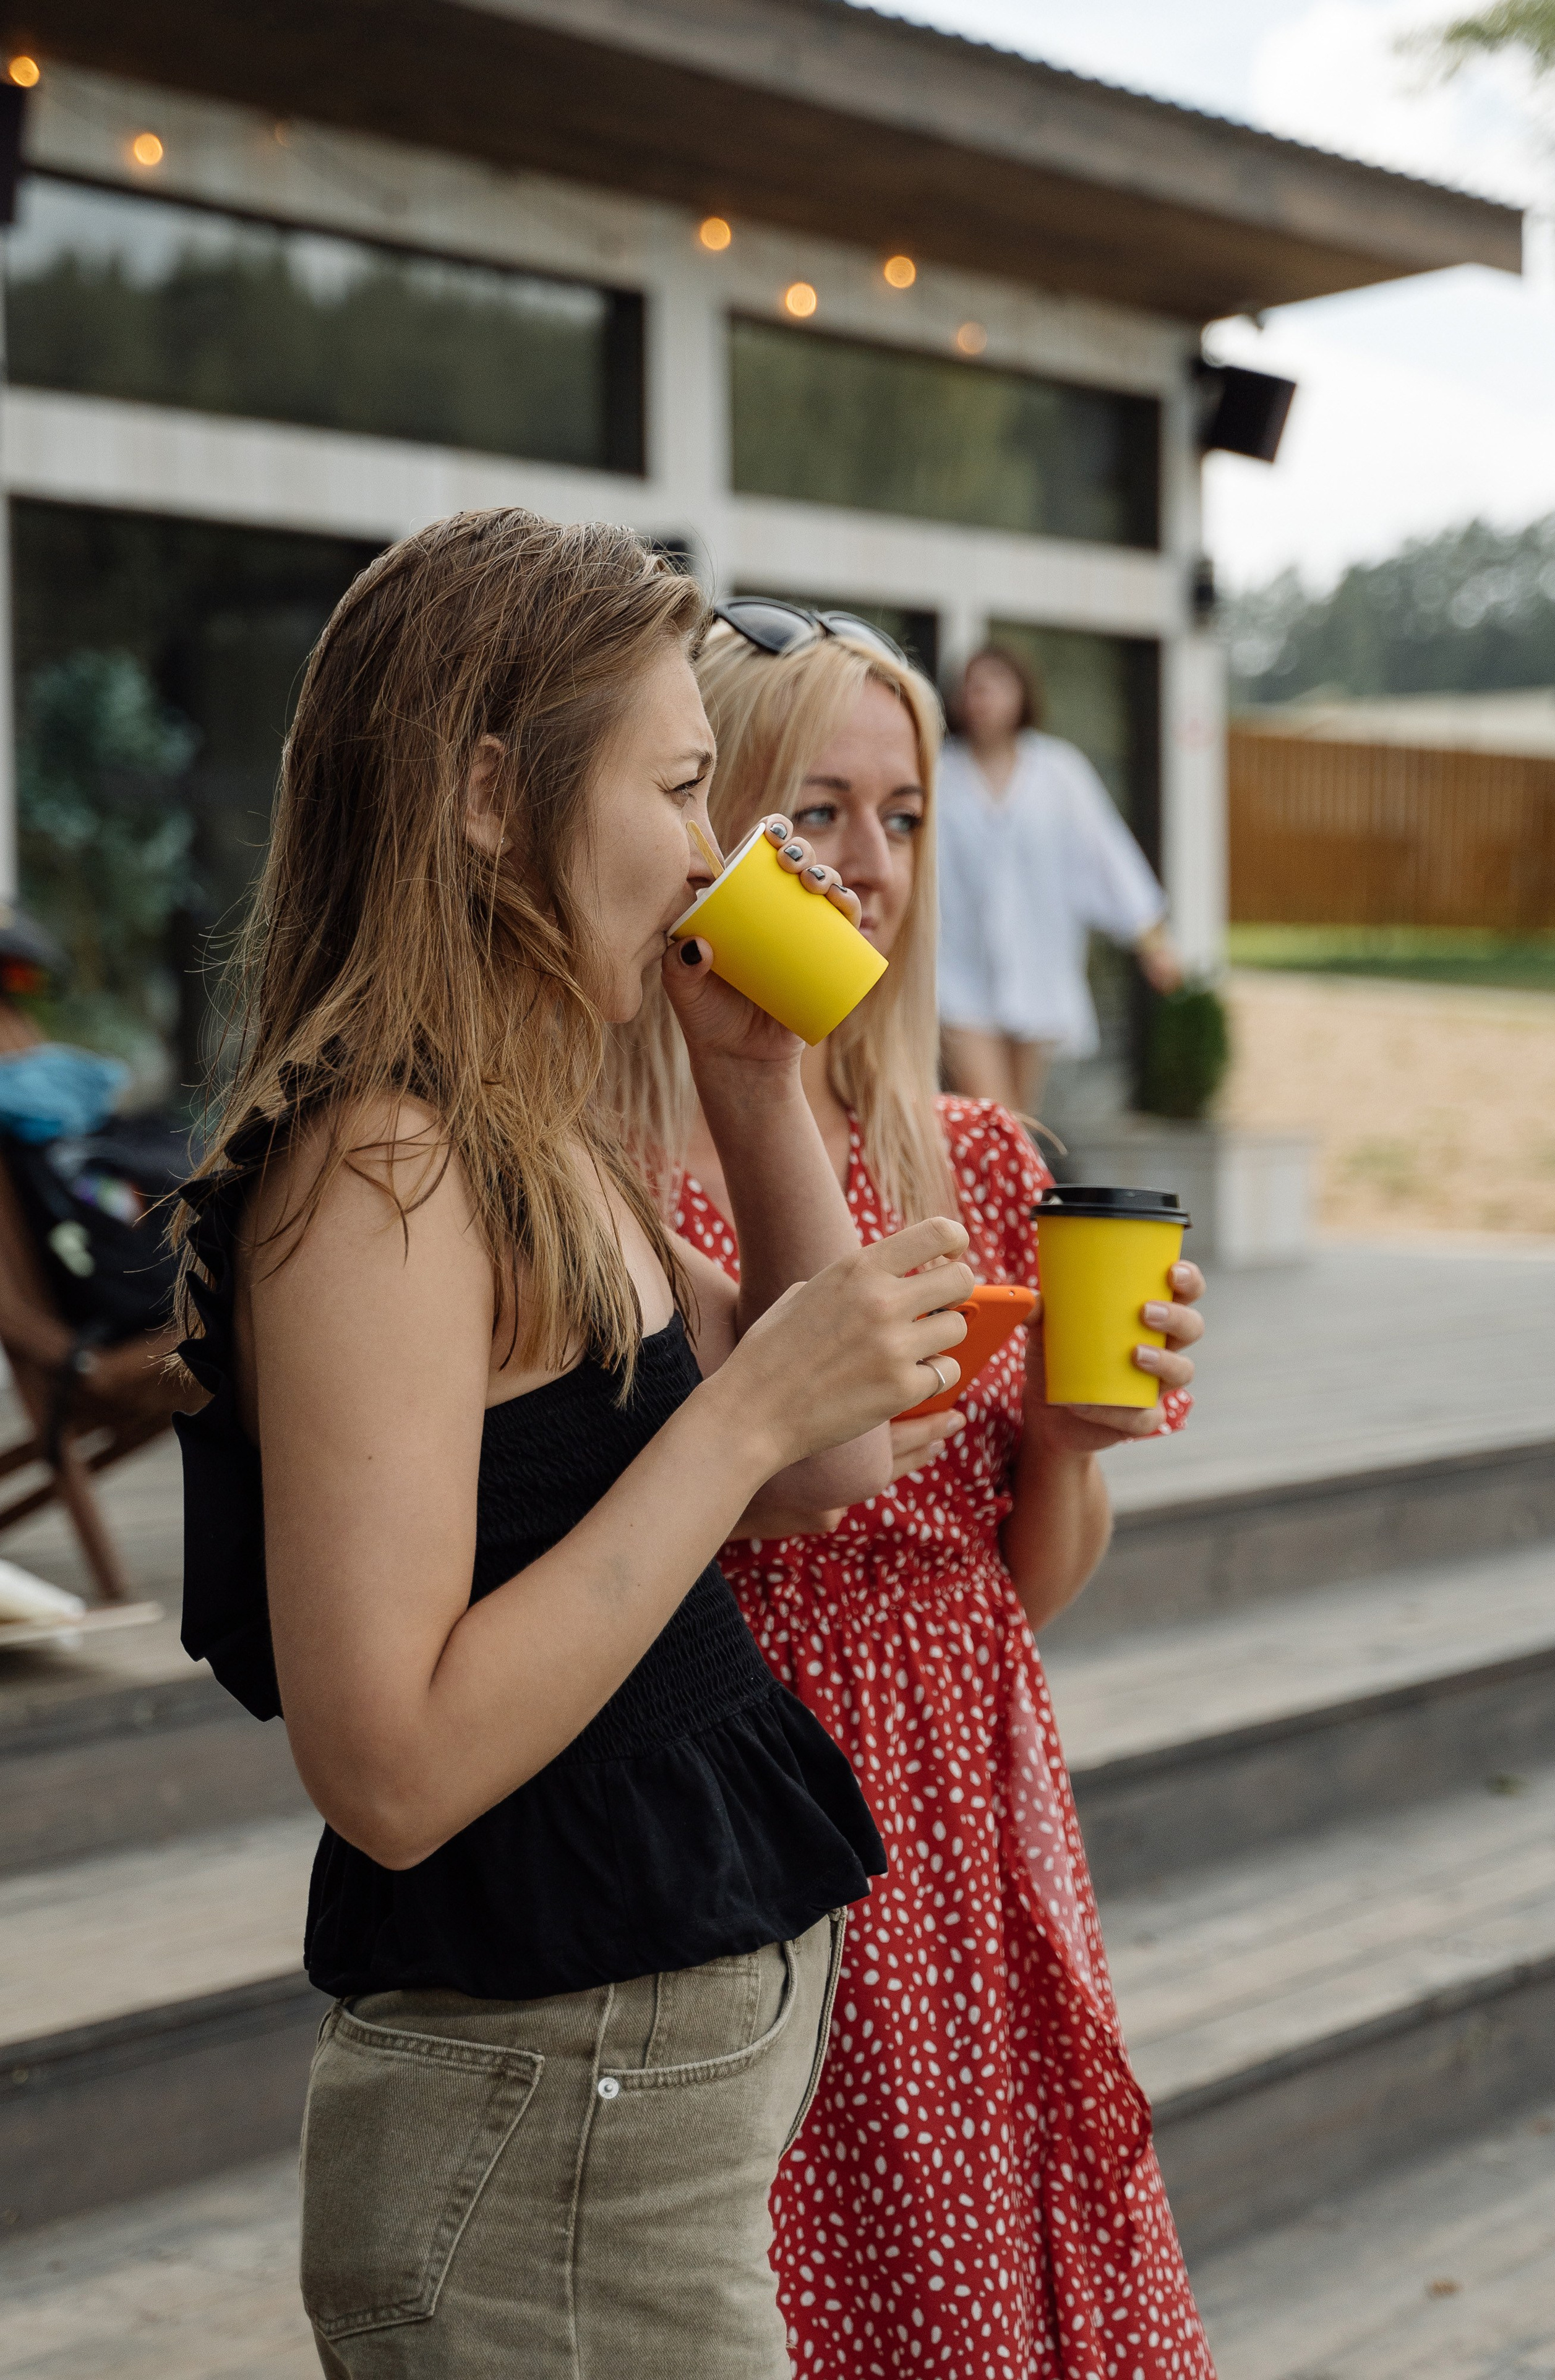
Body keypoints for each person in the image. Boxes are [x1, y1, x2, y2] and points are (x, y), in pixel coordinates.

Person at [169, 518, 982, 2380]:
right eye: (684, 787)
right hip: (543, 2135)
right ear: (482, 794)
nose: (715, 855)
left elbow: (826, 1471)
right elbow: (387, 1761)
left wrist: (758, 1082)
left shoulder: (522, 1128)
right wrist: (763, 1402)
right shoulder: (381, 1160)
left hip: (604, 2121)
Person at [605, 597, 1215, 2379]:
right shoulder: (608, 1174)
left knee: (966, 2282)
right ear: (698, 822)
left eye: (905, 816)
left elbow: (1012, 1590)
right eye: (811, 814)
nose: (865, 867)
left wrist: (1079, 1454)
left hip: (959, 1782)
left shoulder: (983, 1158)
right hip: (729, 1780)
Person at [937, 643, 1184, 1114]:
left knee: (1019, 1123)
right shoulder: (939, 773)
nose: (982, 698)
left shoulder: (1059, 771)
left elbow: (1106, 854)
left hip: (1038, 969)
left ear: (1021, 695)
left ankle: (1008, 1191)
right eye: (973, 688)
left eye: (994, 686)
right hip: (957, 973)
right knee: (993, 1116)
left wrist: (1153, 941)